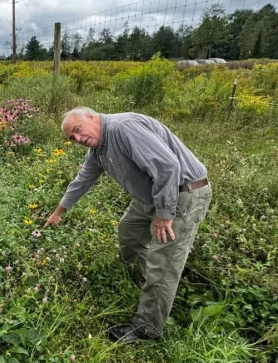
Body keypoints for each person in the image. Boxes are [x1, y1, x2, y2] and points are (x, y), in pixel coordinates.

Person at [44, 107, 212, 343]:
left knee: (162, 265)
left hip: (181, 194)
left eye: (78, 130)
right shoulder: (98, 150)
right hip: (151, 197)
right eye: (73, 138)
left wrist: (165, 215)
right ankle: (147, 283)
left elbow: (167, 167)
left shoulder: (123, 127)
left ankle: (147, 330)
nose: (78, 139)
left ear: (92, 117)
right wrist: (58, 213)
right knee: (130, 232)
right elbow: (82, 180)